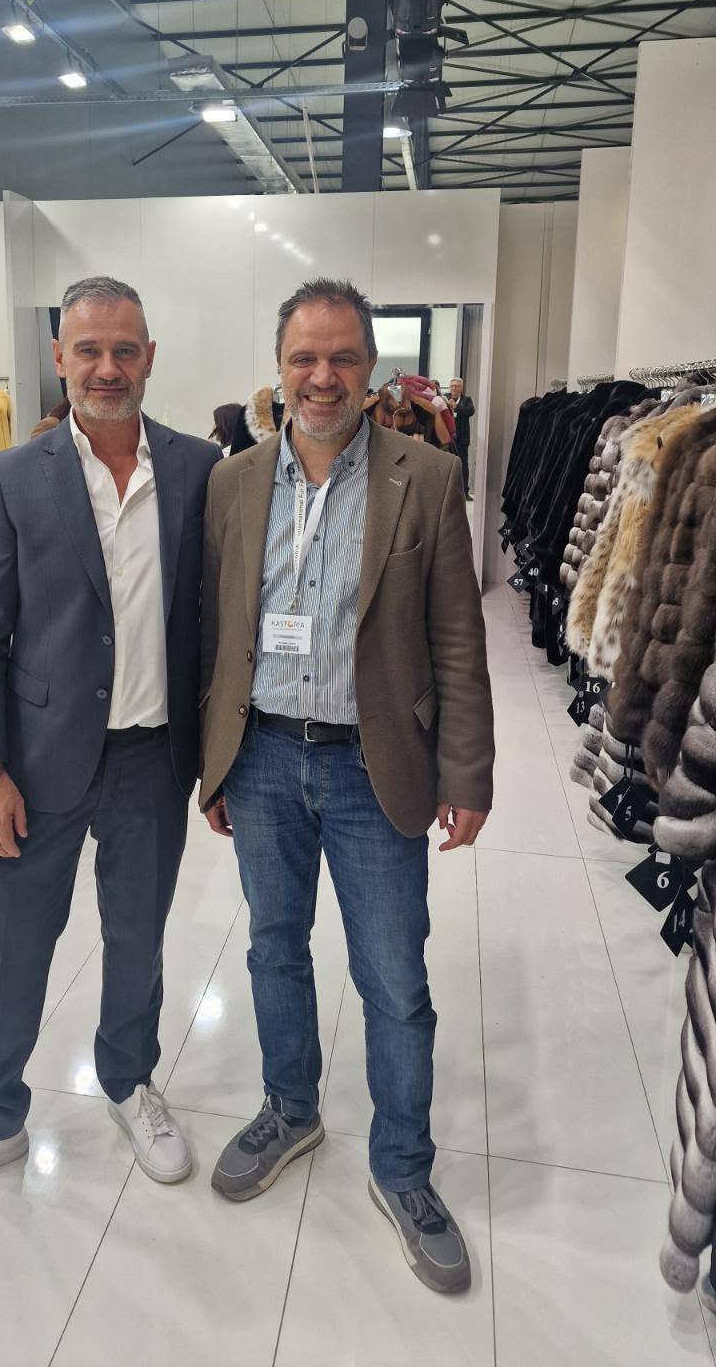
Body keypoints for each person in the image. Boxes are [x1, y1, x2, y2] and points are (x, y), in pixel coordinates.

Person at [0, 276, 221, 1215]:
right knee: (13, 944)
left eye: (125, 350)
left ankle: (129, 1083)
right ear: (61, 359)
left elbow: (214, 618)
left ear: (149, 358)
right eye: (89, 351)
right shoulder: (12, 476)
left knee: (138, 938)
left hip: (152, 758)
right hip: (34, 764)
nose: (107, 368)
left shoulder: (199, 470)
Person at [198, 278, 494, 1294]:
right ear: (279, 368)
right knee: (273, 948)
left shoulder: (428, 475)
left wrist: (469, 771)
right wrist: (215, 760)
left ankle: (403, 1165)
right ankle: (291, 1108)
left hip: (378, 766)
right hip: (264, 758)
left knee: (394, 979)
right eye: (304, 358)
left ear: (371, 371)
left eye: (342, 358)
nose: (322, 377)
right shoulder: (233, 482)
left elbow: (458, 639)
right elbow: (219, 632)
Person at [447, 376, 475, 496]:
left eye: (457, 386)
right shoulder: (445, 398)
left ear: (461, 388)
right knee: (448, 464)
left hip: (462, 439)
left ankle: (465, 492)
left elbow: (470, 411)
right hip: (448, 439)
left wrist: (456, 406)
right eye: (452, 386)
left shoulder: (466, 400)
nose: (454, 388)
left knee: (463, 464)